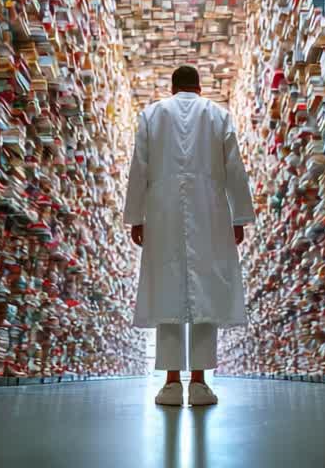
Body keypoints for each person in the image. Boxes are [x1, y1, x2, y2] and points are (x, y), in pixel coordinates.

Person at [124, 65, 256, 407]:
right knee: (205, 291)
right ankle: (199, 383)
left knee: (167, 289)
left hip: (161, 211)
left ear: (172, 88)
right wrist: (238, 216)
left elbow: (139, 167)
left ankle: (170, 383)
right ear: (199, 87)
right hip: (209, 211)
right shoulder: (218, 115)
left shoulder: (151, 115)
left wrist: (136, 216)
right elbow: (235, 169)